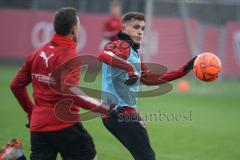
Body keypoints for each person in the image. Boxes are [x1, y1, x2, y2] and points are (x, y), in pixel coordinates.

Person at [10, 7, 113, 160]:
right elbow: (69, 91)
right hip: (64, 126)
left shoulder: (37, 52)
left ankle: (14, 156)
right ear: (74, 29)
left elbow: (15, 85)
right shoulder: (69, 56)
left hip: (39, 127)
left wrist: (31, 112)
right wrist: (102, 107)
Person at [98, 12, 197, 160]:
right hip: (119, 112)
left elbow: (150, 79)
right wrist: (130, 69)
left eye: (143, 28)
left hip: (113, 113)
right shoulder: (121, 45)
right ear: (124, 29)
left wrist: (183, 70)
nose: (140, 31)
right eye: (136, 27)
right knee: (147, 157)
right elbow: (103, 55)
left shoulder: (133, 52)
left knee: (144, 156)